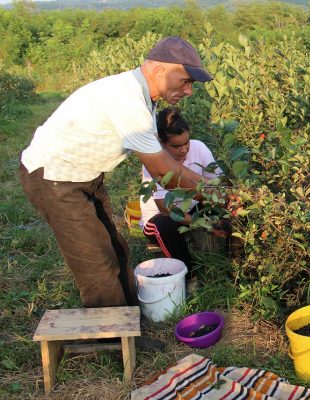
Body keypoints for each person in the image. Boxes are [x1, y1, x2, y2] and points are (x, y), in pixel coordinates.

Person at [19, 36, 212, 348]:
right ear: (161, 70)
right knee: (96, 261)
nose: (189, 90)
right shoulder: (128, 101)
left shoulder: (140, 96)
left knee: (115, 247)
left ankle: (129, 323)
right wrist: (215, 192)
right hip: (54, 176)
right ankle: (114, 340)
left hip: (84, 175)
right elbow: (165, 172)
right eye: (186, 81)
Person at [140, 108, 222, 284]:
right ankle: (188, 275)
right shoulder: (153, 161)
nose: (184, 149)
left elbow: (217, 184)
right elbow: (165, 207)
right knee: (166, 226)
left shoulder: (199, 147)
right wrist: (200, 224)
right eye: (176, 146)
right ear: (162, 144)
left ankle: (224, 263)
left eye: (186, 143)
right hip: (161, 217)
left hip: (191, 208)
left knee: (222, 206)